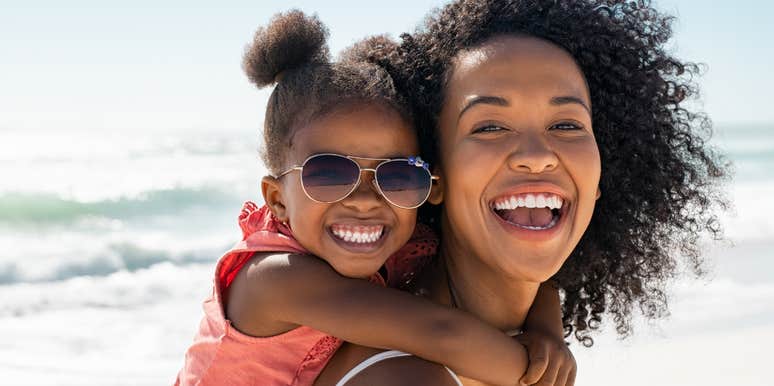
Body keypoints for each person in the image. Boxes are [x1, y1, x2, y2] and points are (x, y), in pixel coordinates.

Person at [316, 0, 727, 385]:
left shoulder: (520, 333)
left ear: (601, 178)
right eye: (490, 126)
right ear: (433, 178)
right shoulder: (406, 375)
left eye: (566, 125)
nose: (537, 156)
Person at [175, 10, 574, 386]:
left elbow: (533, 281)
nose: (366, 199)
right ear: (277, 199)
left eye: (398, 175)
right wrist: (536, 372)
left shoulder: (399, 241)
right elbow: (440, 333)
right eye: (329, 174)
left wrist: (545, 330)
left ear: (430, 186)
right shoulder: (274, 277)